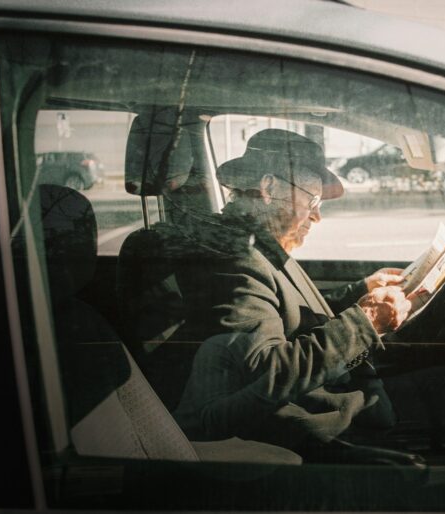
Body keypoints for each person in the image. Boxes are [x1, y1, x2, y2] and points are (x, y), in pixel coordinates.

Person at [173, 129, 411, 452]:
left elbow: (289, 315)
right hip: (319, 429)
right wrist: (365, 322)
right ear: (269, 188)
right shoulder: (236, 257)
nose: (317, 215)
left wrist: (362, 289)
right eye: (312, 200)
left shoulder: (257, 244)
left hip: (338, 400)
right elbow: (266, 374)